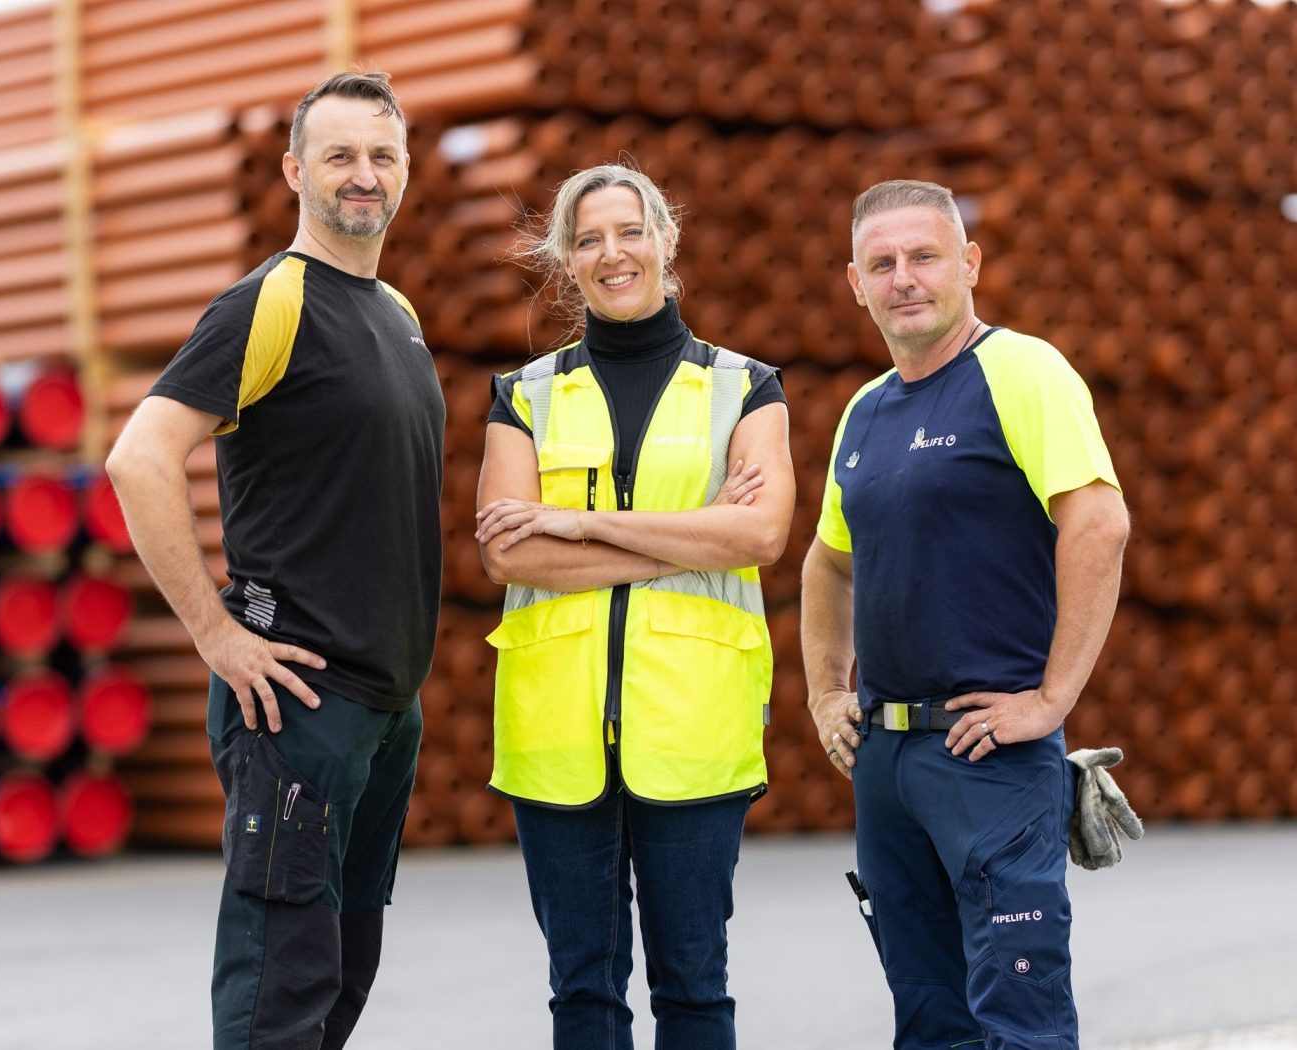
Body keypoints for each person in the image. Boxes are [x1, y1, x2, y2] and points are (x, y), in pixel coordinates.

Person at [106, 72, 442, 1050]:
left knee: (339, 982)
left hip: (383, 710)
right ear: (296, 170)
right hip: (296, 702)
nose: (364, 175)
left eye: (382, 155)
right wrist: (215, 633)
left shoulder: (398, 315)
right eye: (339, 155)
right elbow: (140, 458)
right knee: (277, 998)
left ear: (406, 170)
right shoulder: (270, 303)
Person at [800, 178, 1130, 1049]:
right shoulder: (864, 412)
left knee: (1017, 1022)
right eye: (882, 264)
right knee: (929, 1017)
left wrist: (1051, 700)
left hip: (990, 756)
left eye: (924, 257)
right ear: (855, 282)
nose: (903, 278)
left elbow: (1098, 522)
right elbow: (828, 562)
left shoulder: (1021, 370)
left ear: (969, 263)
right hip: (888, 761)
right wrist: (827, 694)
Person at [474, 163, 795, 1050]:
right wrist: (686, 538)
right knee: (582, 992)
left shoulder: (746, 385)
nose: (612, 254)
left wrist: (578, 523)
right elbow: (509, 549)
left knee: (695, 989)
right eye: (587, 239)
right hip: (554, 737)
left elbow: (762, 534)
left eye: (629, 232)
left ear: (666, 242)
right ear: (565, 261)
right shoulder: (523, 395)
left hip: (694, 730)